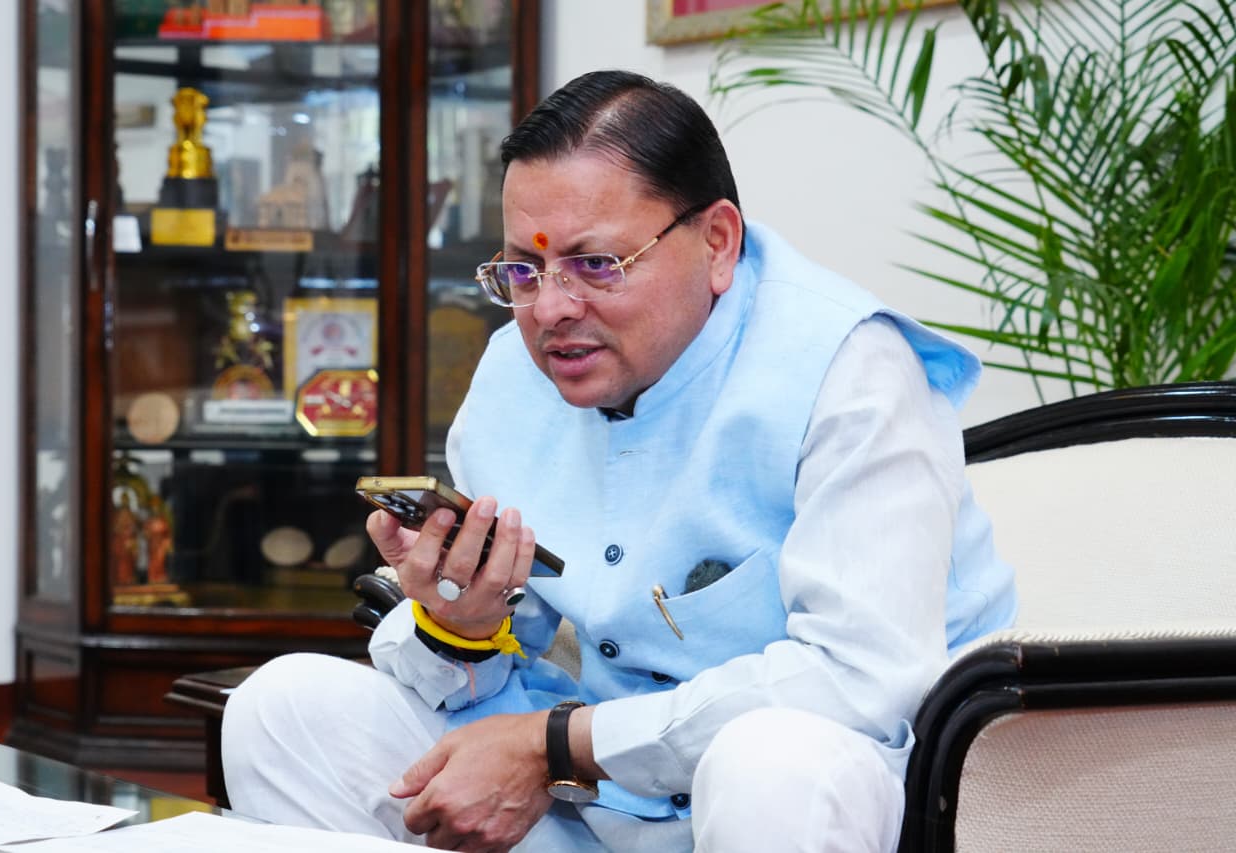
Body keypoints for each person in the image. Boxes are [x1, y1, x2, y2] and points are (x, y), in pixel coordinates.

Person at [220, 70, 1016, 852]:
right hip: (573, 801)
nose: (551, 309)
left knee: (774, 763)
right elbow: (515, 663)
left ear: (717, 243)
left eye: (596, 264)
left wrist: (557, 744)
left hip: (782, 801)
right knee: (280, 709)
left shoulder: (850, 372)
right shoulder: (511, 378)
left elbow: (858, 682)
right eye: (523, 270)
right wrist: (460, 625)